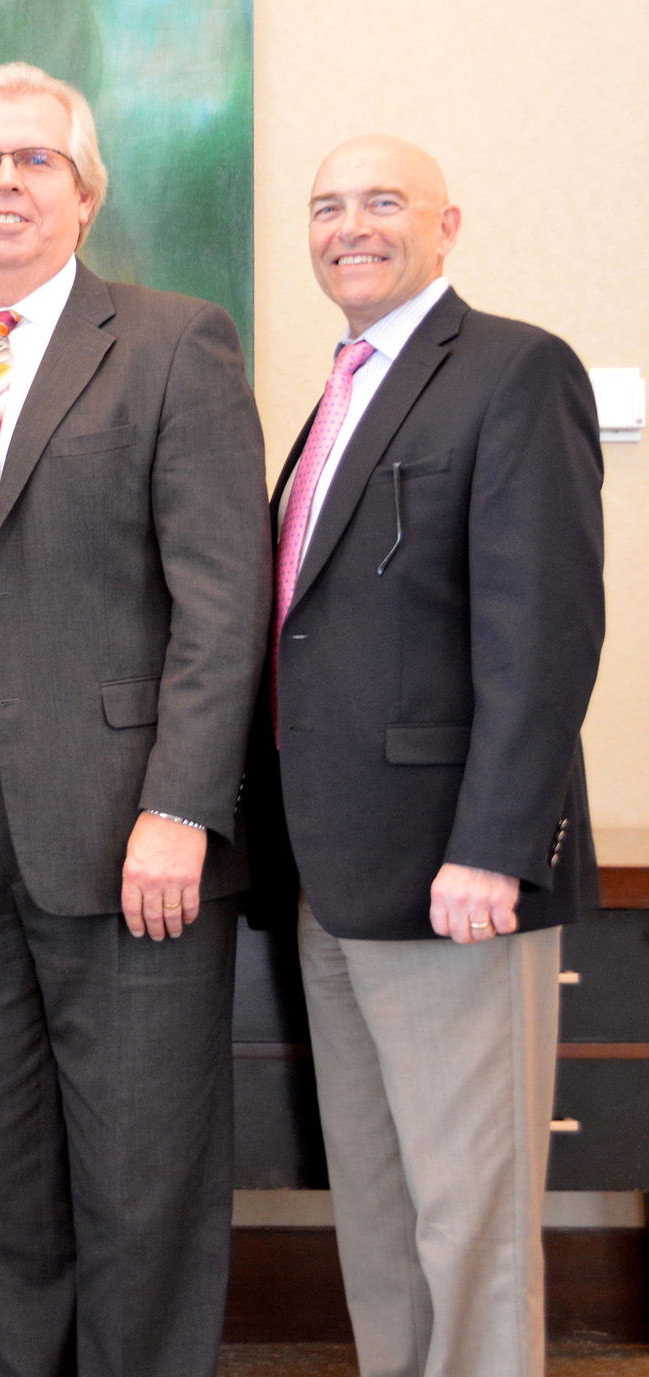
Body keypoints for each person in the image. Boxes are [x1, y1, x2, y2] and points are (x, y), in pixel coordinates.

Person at [0, 62, 271, 1376]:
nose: (8, 184)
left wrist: (181, 804)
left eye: (38, 162)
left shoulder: (171, 340)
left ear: (86, 194)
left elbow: (223, 594)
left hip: (126, 820)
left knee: (145, 1179)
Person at [243, 136, 604, 1377]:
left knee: (473, 1220)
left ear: (450, 224)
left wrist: (494, 852)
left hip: (458, 886)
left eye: (383, 201)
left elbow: (544, 634)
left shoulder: (514, 370)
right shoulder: (342, 388)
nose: (351, 225)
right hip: (333, 882)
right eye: (327, 205)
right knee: (383, 1214)